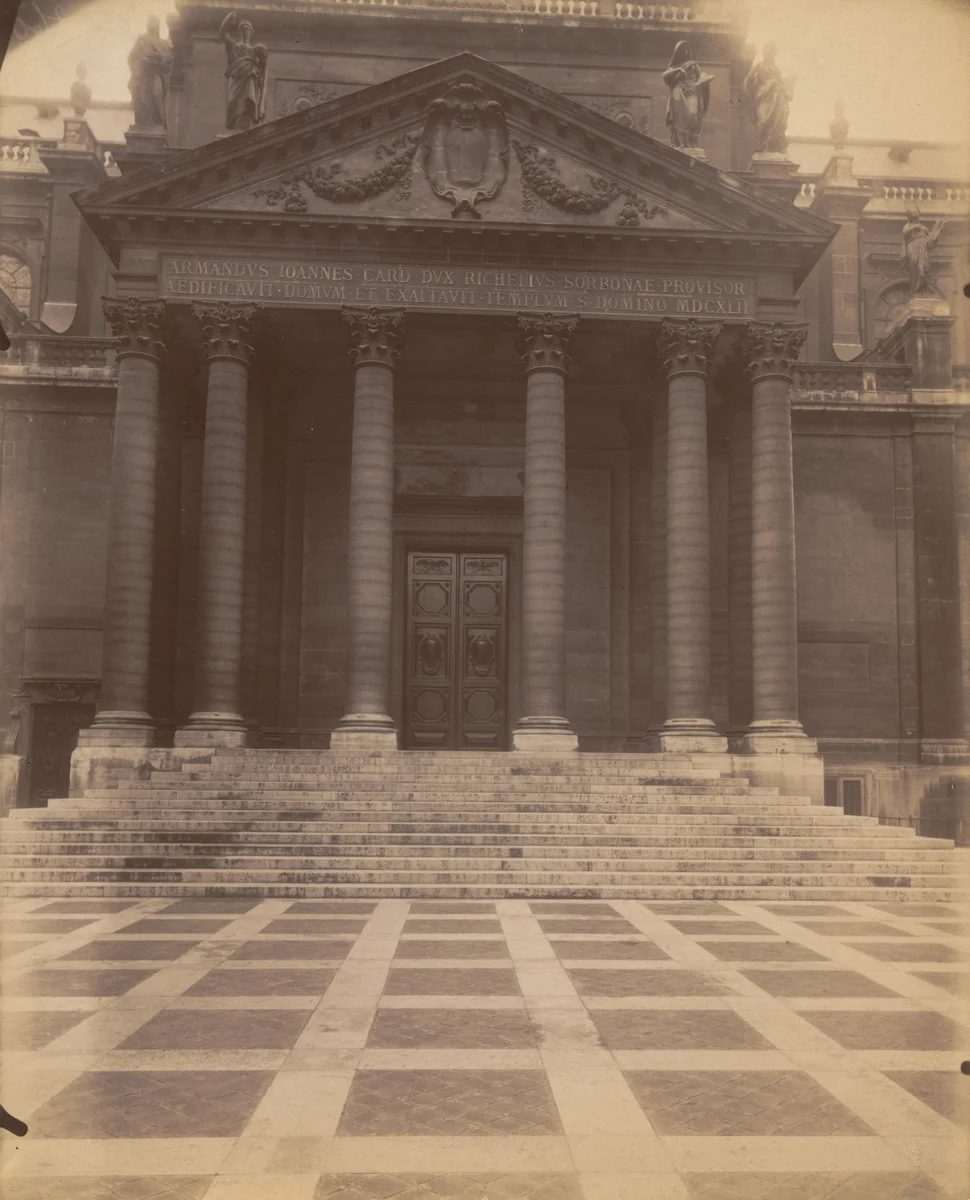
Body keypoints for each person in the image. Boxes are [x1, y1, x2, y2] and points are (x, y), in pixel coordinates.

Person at [219, 11, 268, 132]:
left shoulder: (255, 49)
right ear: (240, 31)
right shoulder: (234, 45)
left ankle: (247, 126)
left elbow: (263, 69)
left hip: (250, 76)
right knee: (233, 101)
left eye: (248, 28)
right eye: (243, 28)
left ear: (251, 32)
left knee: (250, 100)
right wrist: (227, 20)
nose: (245, 30)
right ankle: (236, 126)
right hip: (236, 76)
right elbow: (222, 35)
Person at [741, 41, 792, 154]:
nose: (769, 53)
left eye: (771, 51)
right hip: (762, 98)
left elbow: (782, 85)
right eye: (767, 50)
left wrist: (783, 89)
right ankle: (760, 146)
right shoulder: (759, 66)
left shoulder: (777, 69)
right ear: (764, 52)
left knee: (778, 122)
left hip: (776, 98)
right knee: (763, 120)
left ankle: (770, 147)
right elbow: (749, 80)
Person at [662, 41, 713, 150]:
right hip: (679, 90)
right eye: (682, 49)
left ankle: (692, 141)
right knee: (678, 118)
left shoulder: (693, 65)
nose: (685, 51)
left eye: (686, 49)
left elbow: (699, 78)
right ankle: (681, 143)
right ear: (678, 52)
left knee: (692, 114)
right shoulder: (675, 66)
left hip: (692, 91)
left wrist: (705, 80)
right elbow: (665, 75)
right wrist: (679, 69)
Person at [127, 16, 172, 130]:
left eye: (154, 22)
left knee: (156, 95)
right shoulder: (142, 39)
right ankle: (143, 124)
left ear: (157, 26)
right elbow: (132, 57)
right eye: (149, 22)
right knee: (141, 98)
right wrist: (140, 64)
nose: (151, 24)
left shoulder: (163, 43)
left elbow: (168, 60)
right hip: (142, 76)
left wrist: (155, 57)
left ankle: (157, 124)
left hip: (156, 75)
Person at [901, 208, 946, 295]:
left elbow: (930, 241)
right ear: (909, 215)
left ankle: (922, 289)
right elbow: (905, 232)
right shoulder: (908, 225)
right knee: (914, 265)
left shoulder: (924, 227)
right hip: (913, 246)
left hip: (923, 248)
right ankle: (914, 288)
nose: (914, 213)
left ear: (919, 214)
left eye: (916, 212)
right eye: (912, 212)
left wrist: (935, 237)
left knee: (923, 267)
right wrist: (914, 226)